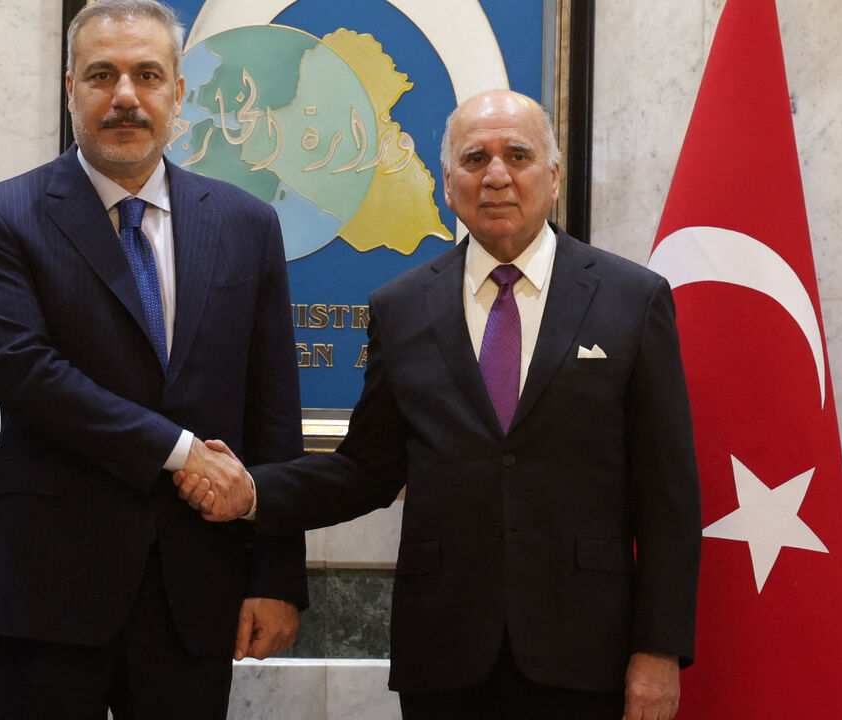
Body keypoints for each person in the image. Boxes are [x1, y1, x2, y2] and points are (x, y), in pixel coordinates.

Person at [178, 90, 701, 720]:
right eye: (475, 158)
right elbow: (365, 470)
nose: (497, 175)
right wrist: (251, 493)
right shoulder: (401, 309)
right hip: (447, 654)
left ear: (554, 176)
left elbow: (668, 495)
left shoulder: (632, 300)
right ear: (448, 185)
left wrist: (659, 650)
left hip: (588, 655)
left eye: (518, 155)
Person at [0, 1, 306, 717]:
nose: (124, 96)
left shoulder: (248, 225)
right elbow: (26, 375)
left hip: (195, 591)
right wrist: (181, 452)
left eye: (147, 75)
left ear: (179, 92)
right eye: (102, 75)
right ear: (71, 89)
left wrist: (277, 572)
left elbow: (272, 406)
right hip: (44, 592)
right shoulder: (0, 219)